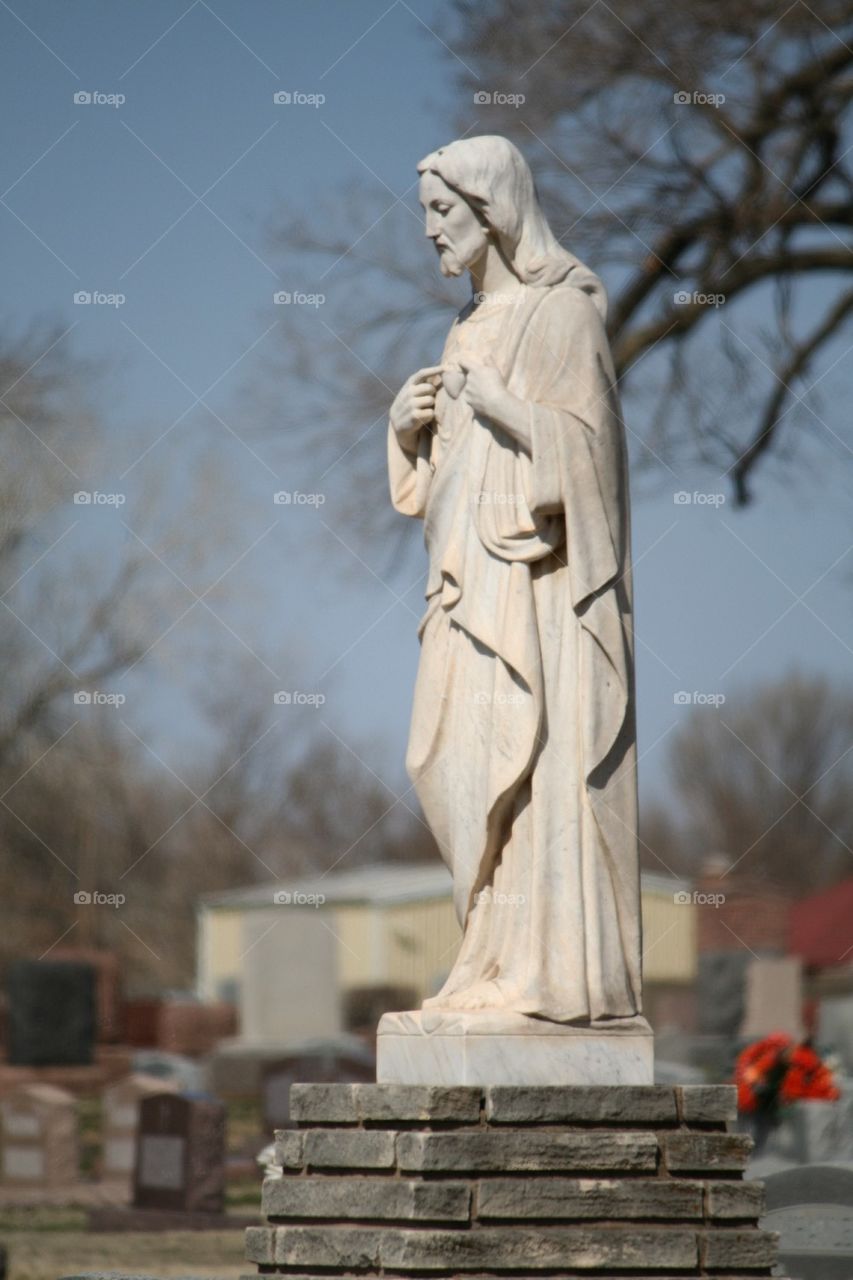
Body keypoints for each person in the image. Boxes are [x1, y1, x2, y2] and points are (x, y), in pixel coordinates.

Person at [388, 136, 642, 1023]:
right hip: (465, 591)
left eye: (441, 210)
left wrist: (498, 405)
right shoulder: (461, 327)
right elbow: (443, 489)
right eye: (424, 212)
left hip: (537, 596)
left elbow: (594, 459)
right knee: (446, 755)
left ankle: (543, 973)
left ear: (490, 211)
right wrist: (406, 431)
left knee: (536, 764)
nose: (427, 230)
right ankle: (483, 961)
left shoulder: (561, 315)